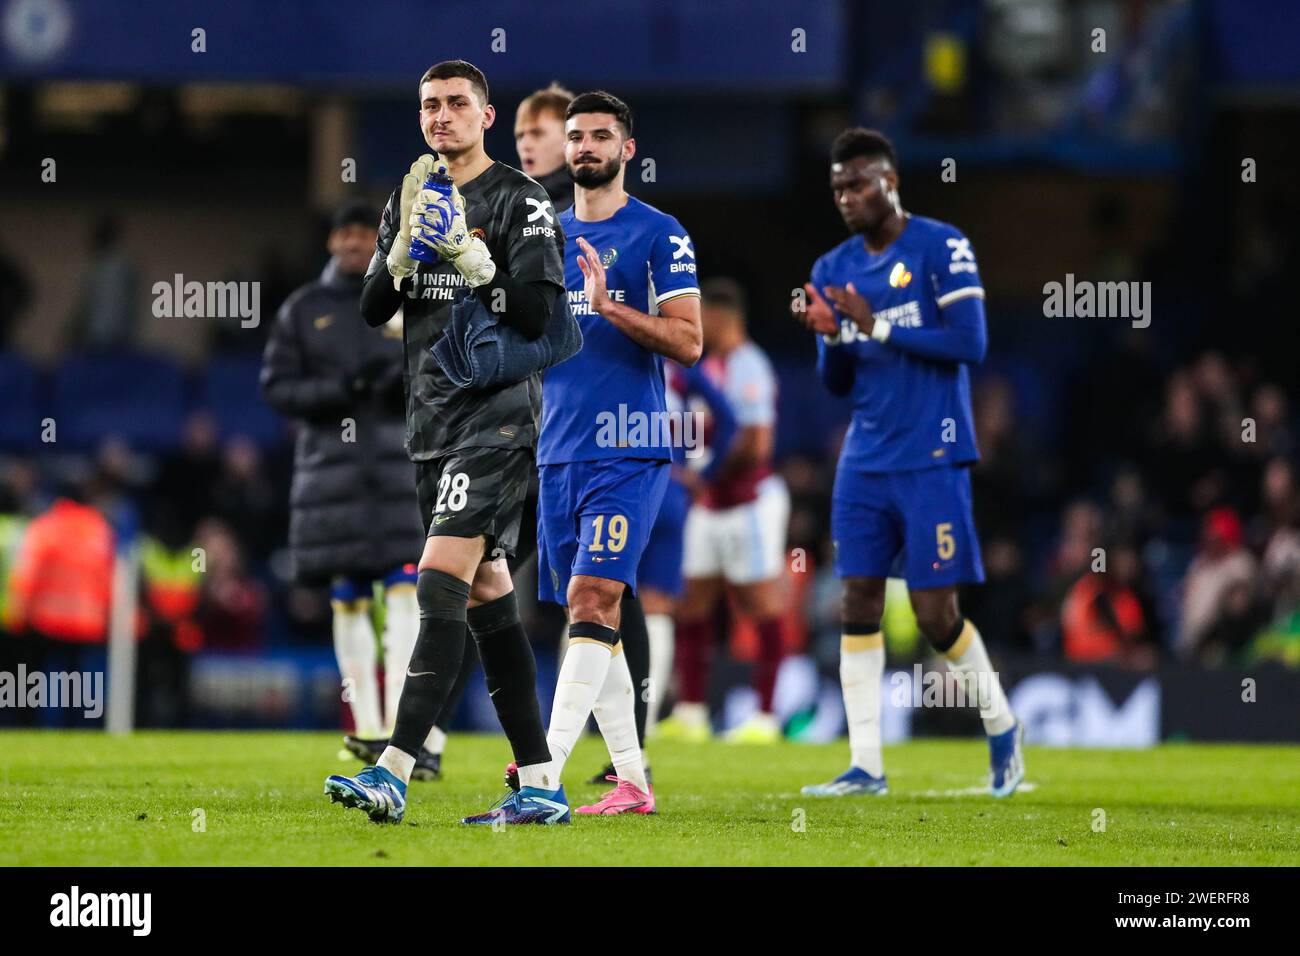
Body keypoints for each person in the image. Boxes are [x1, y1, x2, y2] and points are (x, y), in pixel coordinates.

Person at [323, 60, 565, 825]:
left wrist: (473, 261)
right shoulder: (409, 194)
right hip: (429, 424)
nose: (441, 116)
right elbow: (371, 309)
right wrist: (398, 261)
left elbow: (537, 316)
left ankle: (394, 766)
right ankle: (540, 783)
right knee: (490, 601)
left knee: (436, 581)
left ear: (485, 116)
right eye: (430, 105)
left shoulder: (519, 201)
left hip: (496, 418)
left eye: (457, 103)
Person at [793, 128, 1023, 798]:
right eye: (837, 186)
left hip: (932, 454)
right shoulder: (832, 267)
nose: (846, 197)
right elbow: (835, 381)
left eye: (857, 183)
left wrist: (879, 324)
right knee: (856, 597)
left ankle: (1002, 725)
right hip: (864, 459)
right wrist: (833, 338)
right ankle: (866, 764)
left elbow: (970, 343)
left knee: (933, 613)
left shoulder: (942, 245)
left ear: (890, 182)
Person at [531, 90, 701, 815]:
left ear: (627, 149)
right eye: (576, 136)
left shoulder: (660, 234)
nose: (586, 147)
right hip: (556, 450)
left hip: (627, 444)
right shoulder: (545, 236)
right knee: (588, 617)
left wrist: (609, 307)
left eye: (602, 135)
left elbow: (689, 339)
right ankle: (632, 780)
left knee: (593, 598)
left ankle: (542, 779)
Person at [260, 201, 443, 779]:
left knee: (403, 597)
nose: (355, 243)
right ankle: (364, 727)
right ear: (332, 241)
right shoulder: (303, 309)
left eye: (366, 234)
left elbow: (440, 368)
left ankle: (401, 730)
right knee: (348, 599)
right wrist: (340, 391)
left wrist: (401, 379)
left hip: (397, 468)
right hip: (330, 476)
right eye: (346, 233)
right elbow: (277, 386)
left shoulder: (406, 297)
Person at [659, 278, 790, 744]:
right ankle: (692, 712)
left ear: (719, 317)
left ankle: (767, 715)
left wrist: (704, 473)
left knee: (758, 604)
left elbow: (757, 444)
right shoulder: (706, 365)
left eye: (701, 316)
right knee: (692, 601)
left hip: (747, 502)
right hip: (707, 503)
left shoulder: (749, 365)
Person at [514, 82, 576, 213]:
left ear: (570, 139)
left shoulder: (588, 211)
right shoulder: (508, 208)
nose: (525, 145)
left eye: (537, 134)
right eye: (520, 136)